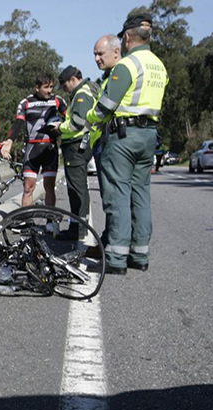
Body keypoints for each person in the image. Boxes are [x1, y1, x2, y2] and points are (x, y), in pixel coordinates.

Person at [87, 13, 167, 274]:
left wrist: (90, 119)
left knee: (119, 195)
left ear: (129, 37)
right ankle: (140, 256)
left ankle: (117, 258)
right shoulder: (159, 66)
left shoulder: (128, 65)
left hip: (124, 136)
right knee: (141, 194)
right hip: (149, 135)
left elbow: (106, 107)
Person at [1, 74, 68, 207]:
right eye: (46, 87)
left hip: (50, 149)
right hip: (32, 150)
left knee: (49, 186)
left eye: (51, 87)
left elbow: (70, 119)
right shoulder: (26, 102)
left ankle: (50, 222)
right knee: (28, 187)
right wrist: (9, 141)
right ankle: (26, 221)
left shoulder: (58, 100)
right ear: (37, 88)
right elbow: (18, 124)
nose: (49, 91)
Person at [86, 34, 123, 259]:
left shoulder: (120, 74)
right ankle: (109, 241)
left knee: (113, 196)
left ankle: (113, 245)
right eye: (95, 55)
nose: (97, 59)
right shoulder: (107, 77)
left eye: (101, 54)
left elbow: (102, 111)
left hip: (115, 140)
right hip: (104, 141)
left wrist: (90, 118)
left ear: (116, 52)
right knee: (108, 195)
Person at [55, 66, 100, 238]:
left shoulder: (82, 95)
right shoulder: (86, 92)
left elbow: (77, 123)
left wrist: (59, 127)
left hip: (77, 145)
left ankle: (78, 229)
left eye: (65, 85)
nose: (64, 90)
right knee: (77, 187)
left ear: (73, 80)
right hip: (81, 143)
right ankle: (79, 226)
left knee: (76, 189)